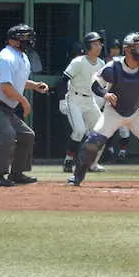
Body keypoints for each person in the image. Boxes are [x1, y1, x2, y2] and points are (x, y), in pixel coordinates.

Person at [68, 33, 139, 187]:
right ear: (127, 49)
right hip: (113, 113)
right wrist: (105, 94)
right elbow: (95, 84)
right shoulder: (113, 67)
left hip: (136, 113)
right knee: (92, 144)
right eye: (138, 47)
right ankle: (77, 177)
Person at [0, 24, 48, 187]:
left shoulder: (22, 57)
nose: (28, 40)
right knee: (7, 134)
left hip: (5, 108)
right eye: (24, 37)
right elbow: (6, 86)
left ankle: (17, 173)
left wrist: (35, 85)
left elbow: (18, 81)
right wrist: (24, 101)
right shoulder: (6, 56)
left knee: (26, 134)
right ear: (13, 40)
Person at [55, 32, 106, 173]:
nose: (99, 46)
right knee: (79, 130)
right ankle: (69, 160)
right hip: (74, 99)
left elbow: (99, 86)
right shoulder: (78, 62)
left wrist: (105, 96)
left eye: (99, 44)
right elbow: (63, 81)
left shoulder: (101, 63)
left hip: (90, 100)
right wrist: (61, 100)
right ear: (88, 46)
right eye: (95, 44)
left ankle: (92, 163)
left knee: (102, 131)